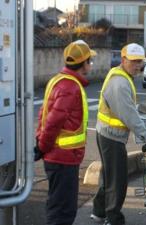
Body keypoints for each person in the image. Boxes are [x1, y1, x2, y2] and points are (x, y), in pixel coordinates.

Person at [91, 43, 146, 225]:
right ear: (123, 60)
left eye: (140, 62)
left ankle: (99, 212)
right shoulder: (120, 82)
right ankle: (114, 219)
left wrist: (141, 109)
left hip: (108, 134)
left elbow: (127, 108)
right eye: (134, 61)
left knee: (109, 176)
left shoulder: (122, 75)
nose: (138, 65)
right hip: (111, 137)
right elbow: (128, 114)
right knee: (118, 182)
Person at [35, 40, 96, 225]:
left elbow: (43, 114)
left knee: (58, 207)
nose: (91, 64)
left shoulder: (59, 80)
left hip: (60, 158)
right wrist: (43, 147)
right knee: (63, 212)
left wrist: (41, 144)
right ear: (83, 63)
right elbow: (53, 121)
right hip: (62, 159)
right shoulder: (71, 87)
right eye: (89, 60)